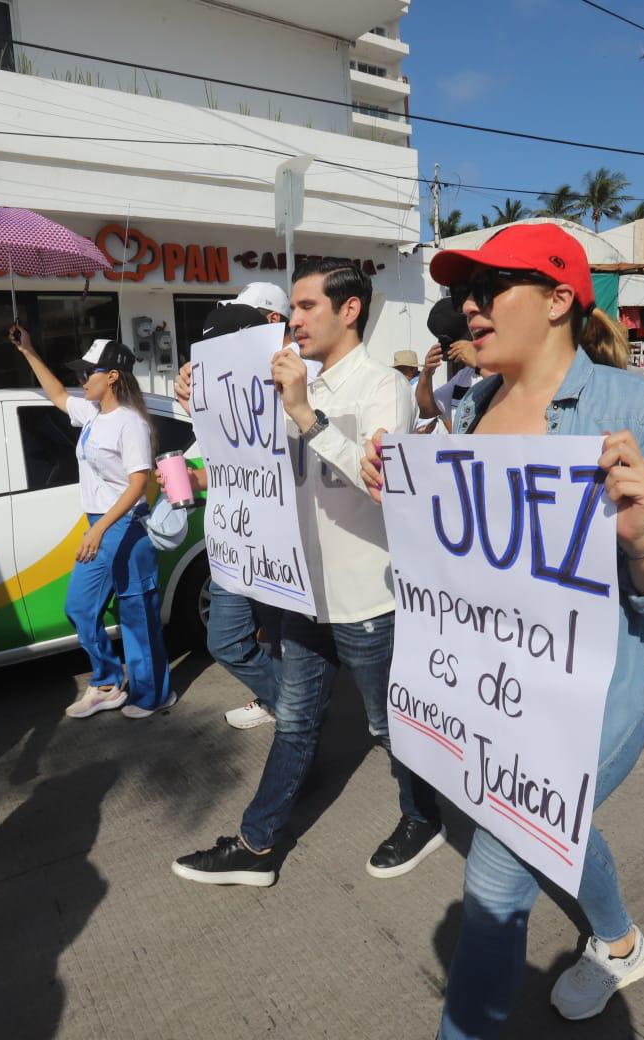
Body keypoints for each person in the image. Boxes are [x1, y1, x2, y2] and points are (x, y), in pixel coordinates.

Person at [362, 223, 644, 1036]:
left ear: (558, 300)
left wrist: (639, 537)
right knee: (555, 823)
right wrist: (401, 496)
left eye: (488, 289)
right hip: (493, 694)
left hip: (596, 695)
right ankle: (618, 943)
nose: (468, 308)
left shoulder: (633, 408)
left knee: (496, 874)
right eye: (460, 294)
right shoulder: (471, 404)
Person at [172, 258, 442, 887]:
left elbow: (383, 487)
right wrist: (199, 404)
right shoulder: (301, 384)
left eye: (305, 306)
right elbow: (245, 460)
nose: (292, 320)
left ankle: (422, 817)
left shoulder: (383, 388)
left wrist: (305, 417)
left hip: (367, 598)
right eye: (292, 308)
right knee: (294, 722)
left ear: (349, 310)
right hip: (302, 592)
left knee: (387, 724)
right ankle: (257, 845)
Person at [13, 330, 174, 719]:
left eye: (89, 373)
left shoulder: (130, 423)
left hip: (127, 526)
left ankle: (153, 695)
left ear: (113, 377)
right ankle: (105, 683)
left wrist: (100, 529)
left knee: (137, 616)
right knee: (79, 607)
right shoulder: (93, 414)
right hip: (99, 525)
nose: (82, 380)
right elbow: (55, 395)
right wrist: (29, 350)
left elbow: (139, 483)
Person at [175, 303, 284, 731]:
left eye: (216, 349)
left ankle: (291, 707)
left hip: (275, 546)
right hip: (229, 543)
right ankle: (293, 701)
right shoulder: (214, 397)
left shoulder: (287, 388)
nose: (206, 361)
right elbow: (231, 465)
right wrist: (198, 477)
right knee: (225, 640)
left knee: (278, 641)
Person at [415, 297, 482, 432]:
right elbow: (427, 410)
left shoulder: (505, 368)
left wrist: (480, 364)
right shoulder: (463, 376)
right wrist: (427, 374)